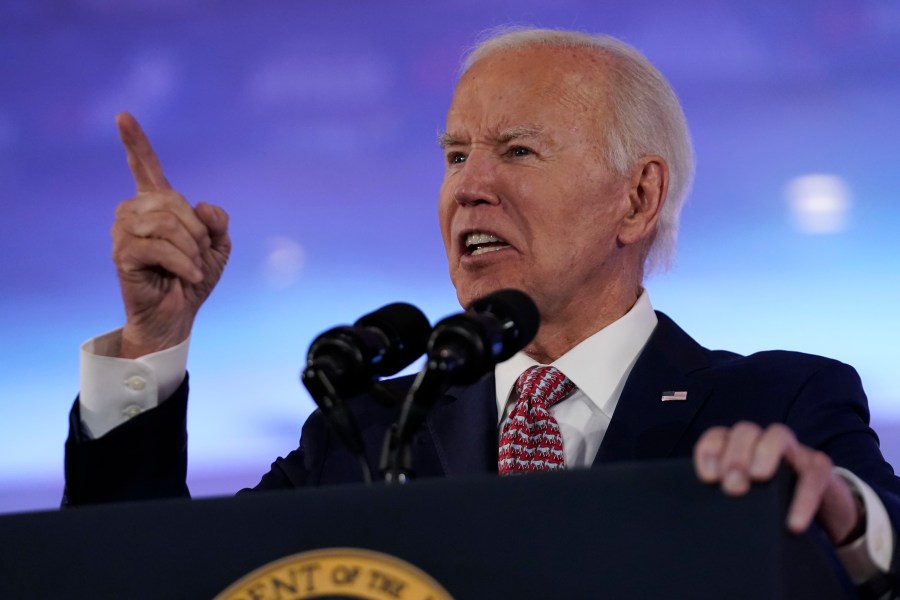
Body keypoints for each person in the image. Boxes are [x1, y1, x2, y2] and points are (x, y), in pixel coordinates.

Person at [64, 28, 898, 595]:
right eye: (455, 155)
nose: (468, 186)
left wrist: (839, 513)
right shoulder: (364, 434)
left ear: (638, 199)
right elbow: (141, 576)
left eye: (517, 151)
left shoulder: (776, 406)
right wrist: (154, 341)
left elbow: (884, 541)